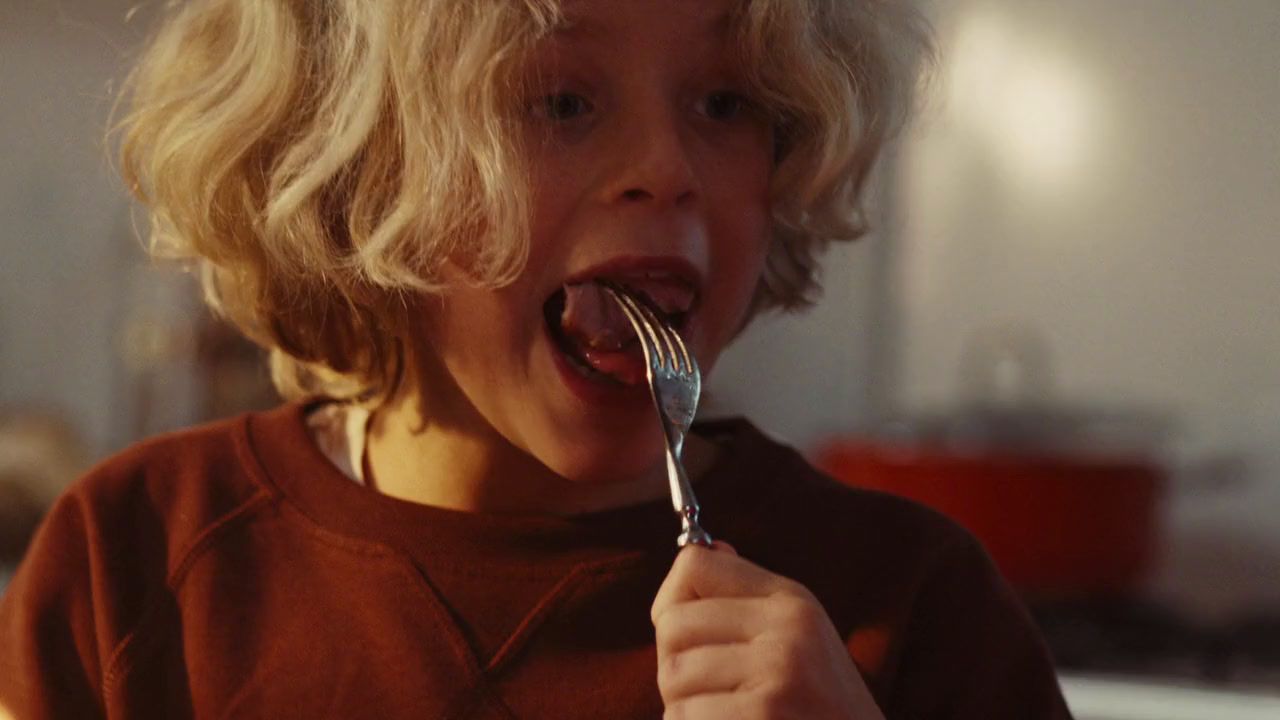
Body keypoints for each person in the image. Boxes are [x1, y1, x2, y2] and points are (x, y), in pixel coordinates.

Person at [0, 0, 1073, 717]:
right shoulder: (134, 561)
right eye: (558, 101)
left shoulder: (913, 609)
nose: (664, 169)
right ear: (353, 169)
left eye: (724, 103)